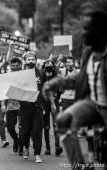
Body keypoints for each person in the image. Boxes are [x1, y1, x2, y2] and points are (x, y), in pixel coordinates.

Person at [43, 11, 107, 169]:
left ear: (99, 30)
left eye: (87, 29)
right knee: (63, 120)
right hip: (93, 103)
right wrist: (56, 83)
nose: (83, 33)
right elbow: (81, 78)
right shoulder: (89, 53)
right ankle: (78, 165)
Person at [19, 51, 54, 163]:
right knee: (25, 132)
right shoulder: (20, 74)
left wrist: (52, 104)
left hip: (38, 106)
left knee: (37, 131)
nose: (31, 61)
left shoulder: (41, 73)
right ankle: (25, 147)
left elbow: (46, 90)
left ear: (36, 61)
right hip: (24, 107)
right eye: (28, 59)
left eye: (33, 59)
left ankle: (37, 154)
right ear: (25, 61)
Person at [41, 60, 63, 156]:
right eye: (46, 64)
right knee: (46, 126)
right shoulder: (41, 78)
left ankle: (57, 146)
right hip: (44, 103)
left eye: (50, 64)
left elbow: (62, 91)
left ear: (53, 67)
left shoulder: (57, 78)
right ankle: (48, 148)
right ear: (44, 67)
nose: (48, 65)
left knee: (56, 125)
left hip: (55, 103)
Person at [6, 57, 23, 154]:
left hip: (22, 105)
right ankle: (16, 140)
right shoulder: (7, 76)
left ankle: (21, 145)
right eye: (13, 66)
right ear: (10, 66)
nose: (15, 67)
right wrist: (3, 105)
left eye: (17, 65)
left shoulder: (24, 75)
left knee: (22, 127)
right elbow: (3, 91)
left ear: (20, 66)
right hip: (11, 105)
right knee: (10, 128)